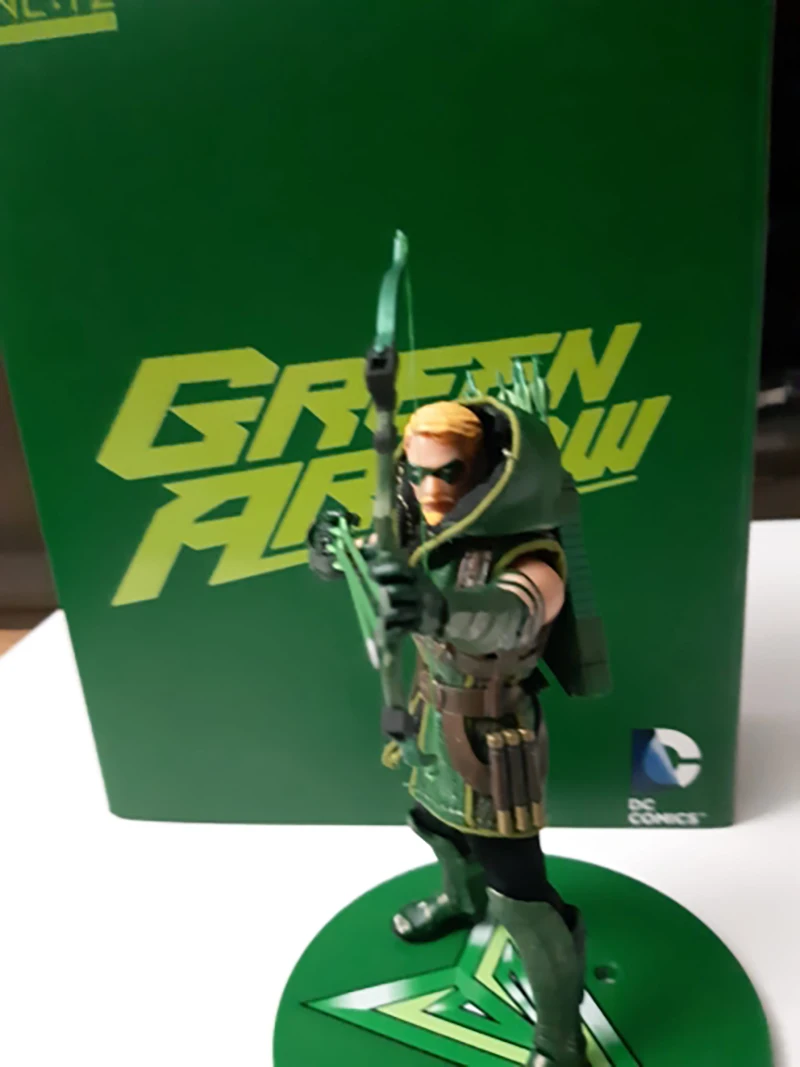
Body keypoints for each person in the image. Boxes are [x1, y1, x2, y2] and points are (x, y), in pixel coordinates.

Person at [308, 391, 609, 1067]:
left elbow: (514, 610)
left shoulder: (529, 551)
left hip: (494, 739)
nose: (430, 491)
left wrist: (437, 607)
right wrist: (331, 549)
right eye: (417, 473)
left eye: (449, 472)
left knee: (522, 895)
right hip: (428, 716)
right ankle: (459, 896)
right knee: (431, 820)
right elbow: (358, 560)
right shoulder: (416, 531)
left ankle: (560, 1041)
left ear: (490, 472)